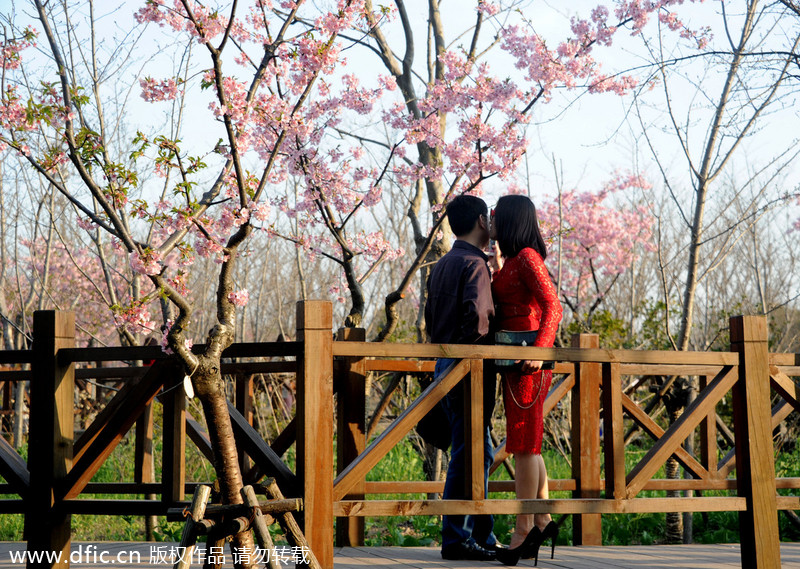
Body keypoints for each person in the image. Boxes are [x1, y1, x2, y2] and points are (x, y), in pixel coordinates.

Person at [424, 194, 501, 562]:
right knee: (469, 452)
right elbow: (479, 320)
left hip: (445, 364)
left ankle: (481, 534)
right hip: (468, 368)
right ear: (482, 222)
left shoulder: (441, 265)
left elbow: (431, 318)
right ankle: (457, 538)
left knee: (477, 451)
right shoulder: (474, 265)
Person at [489, 195, 563, 566]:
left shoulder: (530, 258)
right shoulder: (515, 260)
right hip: (516, 361)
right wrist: (496, 265)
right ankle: (542, 518)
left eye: (496, 217)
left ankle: (523, 527)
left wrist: (541, 349)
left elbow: (553, 304)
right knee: (526, 440)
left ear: (511, 220)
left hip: (529, 362)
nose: (492, 221)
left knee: (524, 443)